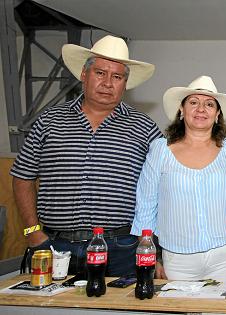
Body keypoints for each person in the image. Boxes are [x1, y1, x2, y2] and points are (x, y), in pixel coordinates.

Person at [11, 35, 162, 276]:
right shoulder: (49, 121)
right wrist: (32, 233)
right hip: (52, 246)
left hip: (122, 249)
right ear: (84, 74)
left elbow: (164, 188)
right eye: (100, 73)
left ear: (125, 83)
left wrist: (156, 250)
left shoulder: (145, 128)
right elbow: (22, 177)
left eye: (117, 76)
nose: (108, 83)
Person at [131, 75, 226, 282]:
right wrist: (151, 256)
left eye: (209, 104)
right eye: (193, 102)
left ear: (217, 114)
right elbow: (146, 206)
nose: (201, 109)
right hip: (176, 258)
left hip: (225, 256)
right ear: (181, 110)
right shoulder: (160, 150)